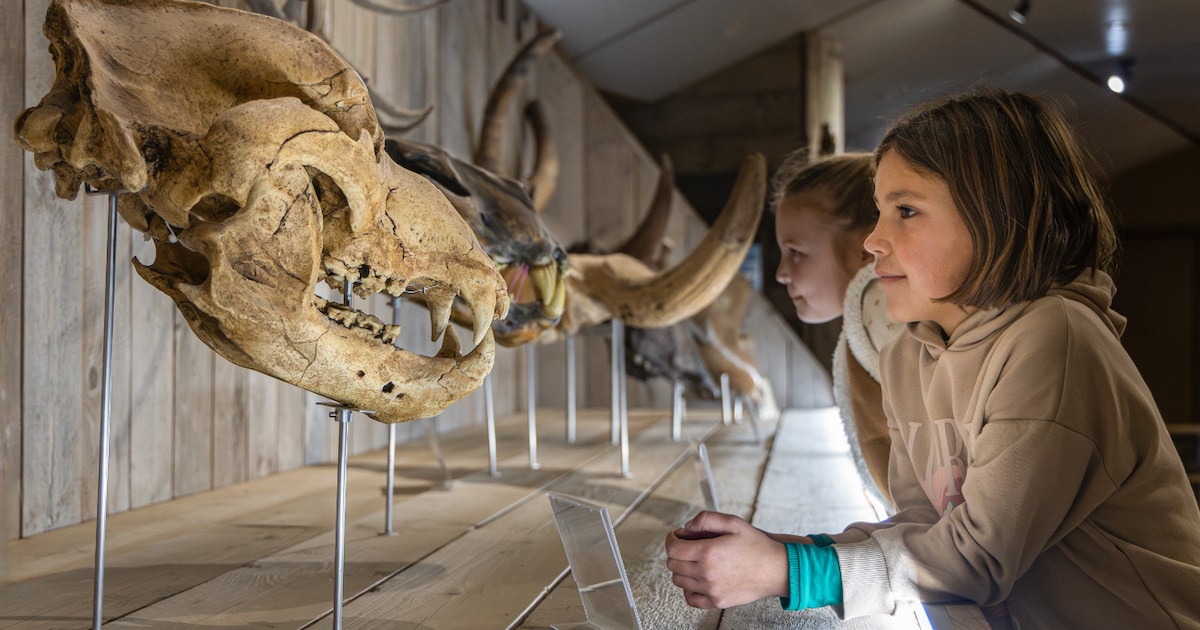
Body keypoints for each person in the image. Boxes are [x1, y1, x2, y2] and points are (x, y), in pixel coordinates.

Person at [665, 87, 1200, 628]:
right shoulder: (906, 357)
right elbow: (924, 528)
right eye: (879, 211)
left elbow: (980, 558)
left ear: (998, 214)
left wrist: (789, 570)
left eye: (906, 210)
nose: (873, 241)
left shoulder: (1053, 339)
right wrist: (783, 552)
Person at [772, 150, 903, 509]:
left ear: (865, 249)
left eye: (795, 252)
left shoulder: (882, 309)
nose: (781, 273)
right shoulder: (871, 315)